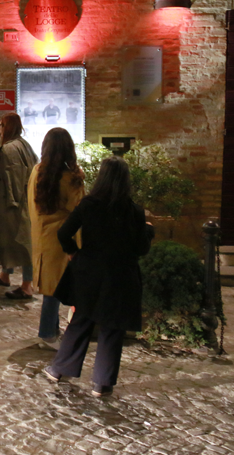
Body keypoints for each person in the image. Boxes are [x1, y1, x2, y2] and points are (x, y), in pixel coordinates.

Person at [45, 157, 154, 397]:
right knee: (113, 327)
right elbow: (141, 248)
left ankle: (60, 369)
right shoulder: (134, 211)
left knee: (82, 319)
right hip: (121, 275)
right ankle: (102, 383)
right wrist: (148, 229)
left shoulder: (89, 204)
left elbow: (64, 233)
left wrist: (74, 253)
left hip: (90, 272)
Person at [25, 127, 85, 350]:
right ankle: (48, 332)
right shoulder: (70, 178)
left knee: (52, 287)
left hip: (42, 237)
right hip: (63, 239)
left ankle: (51, 330)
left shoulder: (37, 172)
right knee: (61, 287)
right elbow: (80, 210)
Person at [0, 113, 39, 292]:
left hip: (14, 204)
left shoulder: (9, 148)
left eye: (0, 125)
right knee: (10, 240)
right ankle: (5, 274)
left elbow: (13, 177)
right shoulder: (24, 144)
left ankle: (26, 285)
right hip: (22, 200)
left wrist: (13, 202)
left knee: (22, 242)